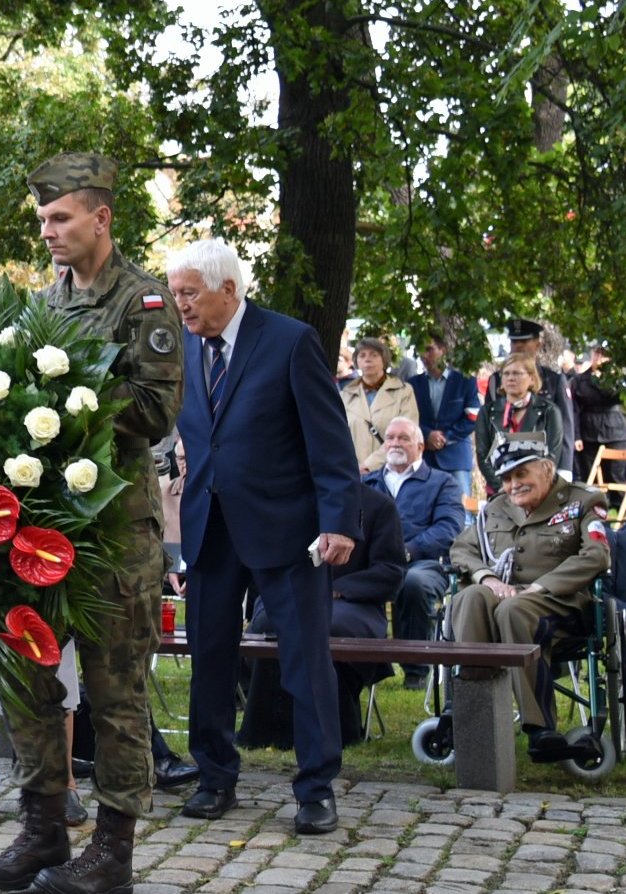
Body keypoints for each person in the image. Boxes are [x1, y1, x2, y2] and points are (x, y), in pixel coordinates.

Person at [0, 153, 182, 894]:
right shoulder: (45, 303)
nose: (48, 232)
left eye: (60, 218)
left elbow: (157, 412)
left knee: (114, 693)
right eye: (42, 220)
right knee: (26, 678)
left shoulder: (145, 304)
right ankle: (44, 828)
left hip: (116, 535)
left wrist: (67, 393)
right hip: (44, 532)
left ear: (101, 218)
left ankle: (114, 852)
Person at [170, 237, 359, 837]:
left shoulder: (290, 340)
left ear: (229, 289)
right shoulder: (182, 348)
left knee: (305, 662)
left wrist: (338, 521)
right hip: (210, 530)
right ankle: (214, 776)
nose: (181, 305)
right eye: (175, 294)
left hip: (287, 529)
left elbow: (330, 443)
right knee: (211, 661)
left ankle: (315, 788)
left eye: (190, 293)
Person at [448, 434, 611, 762]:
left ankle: (540, 729)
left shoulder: (582, 500)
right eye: (507, 478)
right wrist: (488, 578)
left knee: (514, 609)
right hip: (504, 599)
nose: (513, 485)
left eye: (521, 474)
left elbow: (597, 556)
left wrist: (541, 586)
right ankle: (472, 718)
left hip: (562, 604)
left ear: (547, 469)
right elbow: (461, 549)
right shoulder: (496, 508)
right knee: (470, 598)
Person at [239, 485, 404, 748]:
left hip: (354, 604)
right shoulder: (287, 500)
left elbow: (390, 571)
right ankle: (266, 730)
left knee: (328, 626)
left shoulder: (379, 506)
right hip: (291, 596)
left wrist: (337, 589)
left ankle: (334, 732)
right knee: (268, 624)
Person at [362, 417, 465, 689]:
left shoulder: (443, 483)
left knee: (412, 584)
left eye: (403, 438)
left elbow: (448, 529)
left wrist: (407, 551)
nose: (395, 443)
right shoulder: (367, 483)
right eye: (391, 437)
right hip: (373, 563)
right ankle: (361, 665)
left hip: (424, 563)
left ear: (420, 446)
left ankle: (416, 668)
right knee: (345, 584)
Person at [489, 319, 574, 477]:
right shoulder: (496, 381)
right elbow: (489, 428)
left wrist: (565, 469)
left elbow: (566, 427)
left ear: (537, 344)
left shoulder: (554, 380)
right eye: (514, 341)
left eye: (524, 341)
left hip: (546, 464)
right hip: (506, 464)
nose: (518, 346)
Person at [475, 354, 565, 496]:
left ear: (531, 379)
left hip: (537, 492)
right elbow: (483, 456)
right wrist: (504, 485)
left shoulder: (549, 411)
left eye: (517, 373)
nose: (510, 378)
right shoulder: (487, 412)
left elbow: (552, 455)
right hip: (499, 493)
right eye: (506, 373)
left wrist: (527, 485)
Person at [408, 334, 482, 503]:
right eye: (421, 351)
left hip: (455, 456)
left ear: (443, 350)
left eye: (429, 349)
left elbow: (472, 416)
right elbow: (409, 416)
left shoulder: (465, 381)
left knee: (463, 511)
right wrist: (427, 435)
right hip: (424, 456)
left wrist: (445, 437)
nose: (425, 356)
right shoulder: (413, 384)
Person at [339, 337, 418, 474]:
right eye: (362, 355)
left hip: (392, 471)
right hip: (354, 472)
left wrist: (369, 465)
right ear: (356, 362)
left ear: (384, 360)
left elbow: (407, 434)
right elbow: (338, 435)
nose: (367, 359)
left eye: (374, 355)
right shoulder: (345, 395)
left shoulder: (403, 391)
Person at [571, 342, 626, 502]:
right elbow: (575, 410)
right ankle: (595, 509)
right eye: (596, 354)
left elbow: (621, 398)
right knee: (591, 475)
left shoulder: (617, 379)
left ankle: (620, 510)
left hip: (614, 429)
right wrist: (576, 436)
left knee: (615, 473)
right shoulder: (579, 380)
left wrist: (609, 377)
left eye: (603, 355)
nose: (599, 358)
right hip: (588, 429)